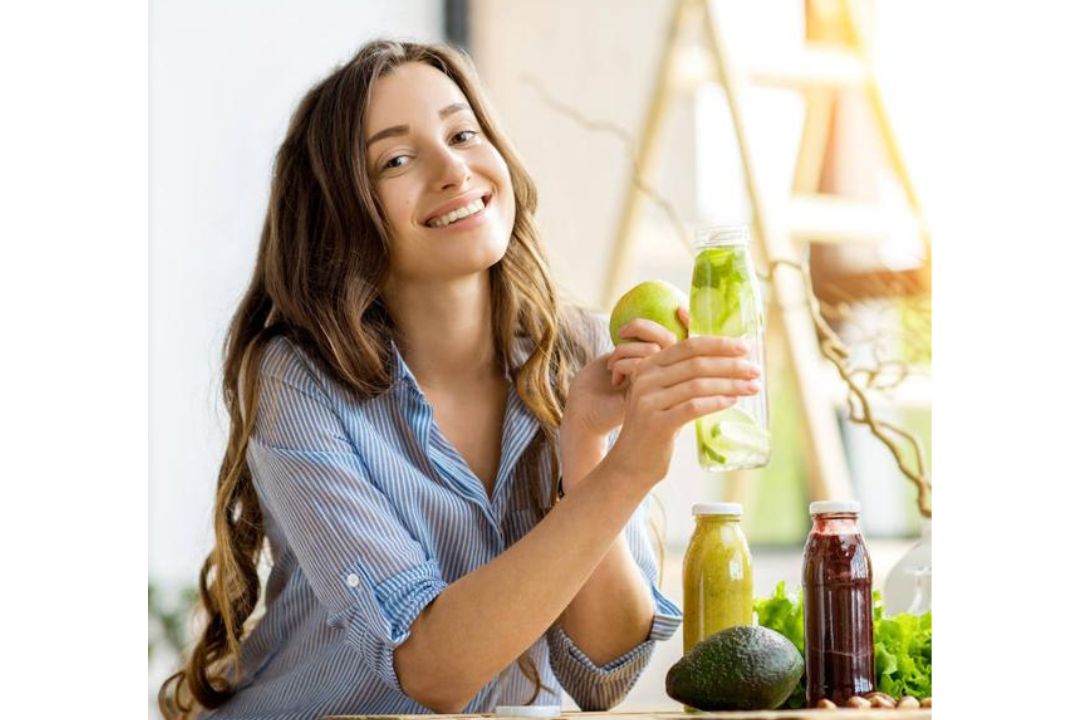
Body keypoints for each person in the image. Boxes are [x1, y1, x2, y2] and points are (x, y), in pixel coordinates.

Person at [159, 39, 762, 720]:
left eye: (463, 133)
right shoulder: (299, 382)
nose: (452, 169)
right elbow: (431, 668)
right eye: (397, 159)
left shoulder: (583, 353)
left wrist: (588, 451)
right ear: (340, 213)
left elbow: (601, 676)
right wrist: (629, 472)